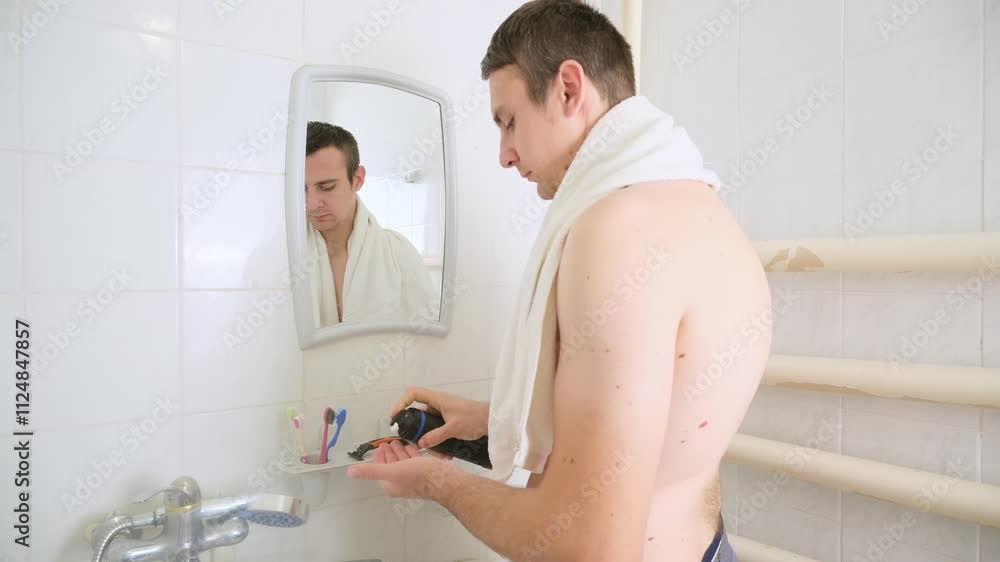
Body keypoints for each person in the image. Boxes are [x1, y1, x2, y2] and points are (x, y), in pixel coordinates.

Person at [346, 2, 771, 561]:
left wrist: (436, 482)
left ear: (568, 89)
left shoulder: (619, 230)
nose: (504, 155)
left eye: (509, 121)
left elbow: (587, 546)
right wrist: (492, 419)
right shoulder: (700, 207)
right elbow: (655, 429)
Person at [305, 121, 438, 327]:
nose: (312, 204)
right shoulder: (280, 258)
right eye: (303, 189)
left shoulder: (398, 254)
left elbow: (428, 335)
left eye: (326, 187)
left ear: (357, 179)